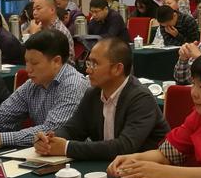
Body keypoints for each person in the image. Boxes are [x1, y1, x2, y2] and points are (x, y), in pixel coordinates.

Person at [34, 37, 169, 159]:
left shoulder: (140, 98)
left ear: (117, 69)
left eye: (94, 64)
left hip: (149, 170)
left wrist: (66, 148)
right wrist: (49, 139)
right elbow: (72, 129)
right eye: (88, 63)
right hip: (110, 166)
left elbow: (124, 147)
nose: (88, 70)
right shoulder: (93, 94)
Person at [0, 31, 88, 148]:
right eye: (26, 62)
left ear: (56, 61)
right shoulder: (32, 85)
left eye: (34, 63)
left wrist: (0, 139)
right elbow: (2, 115)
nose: (28, 69)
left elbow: (52, 130)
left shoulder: (73, 85)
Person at [27, 0, 75, 67]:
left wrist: (33, 34)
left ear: (52, 10)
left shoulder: (59, 31)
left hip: (61, 71)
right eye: (33, 9)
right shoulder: (40, 27)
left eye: (38, 9)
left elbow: (36, 57)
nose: (34, 13)